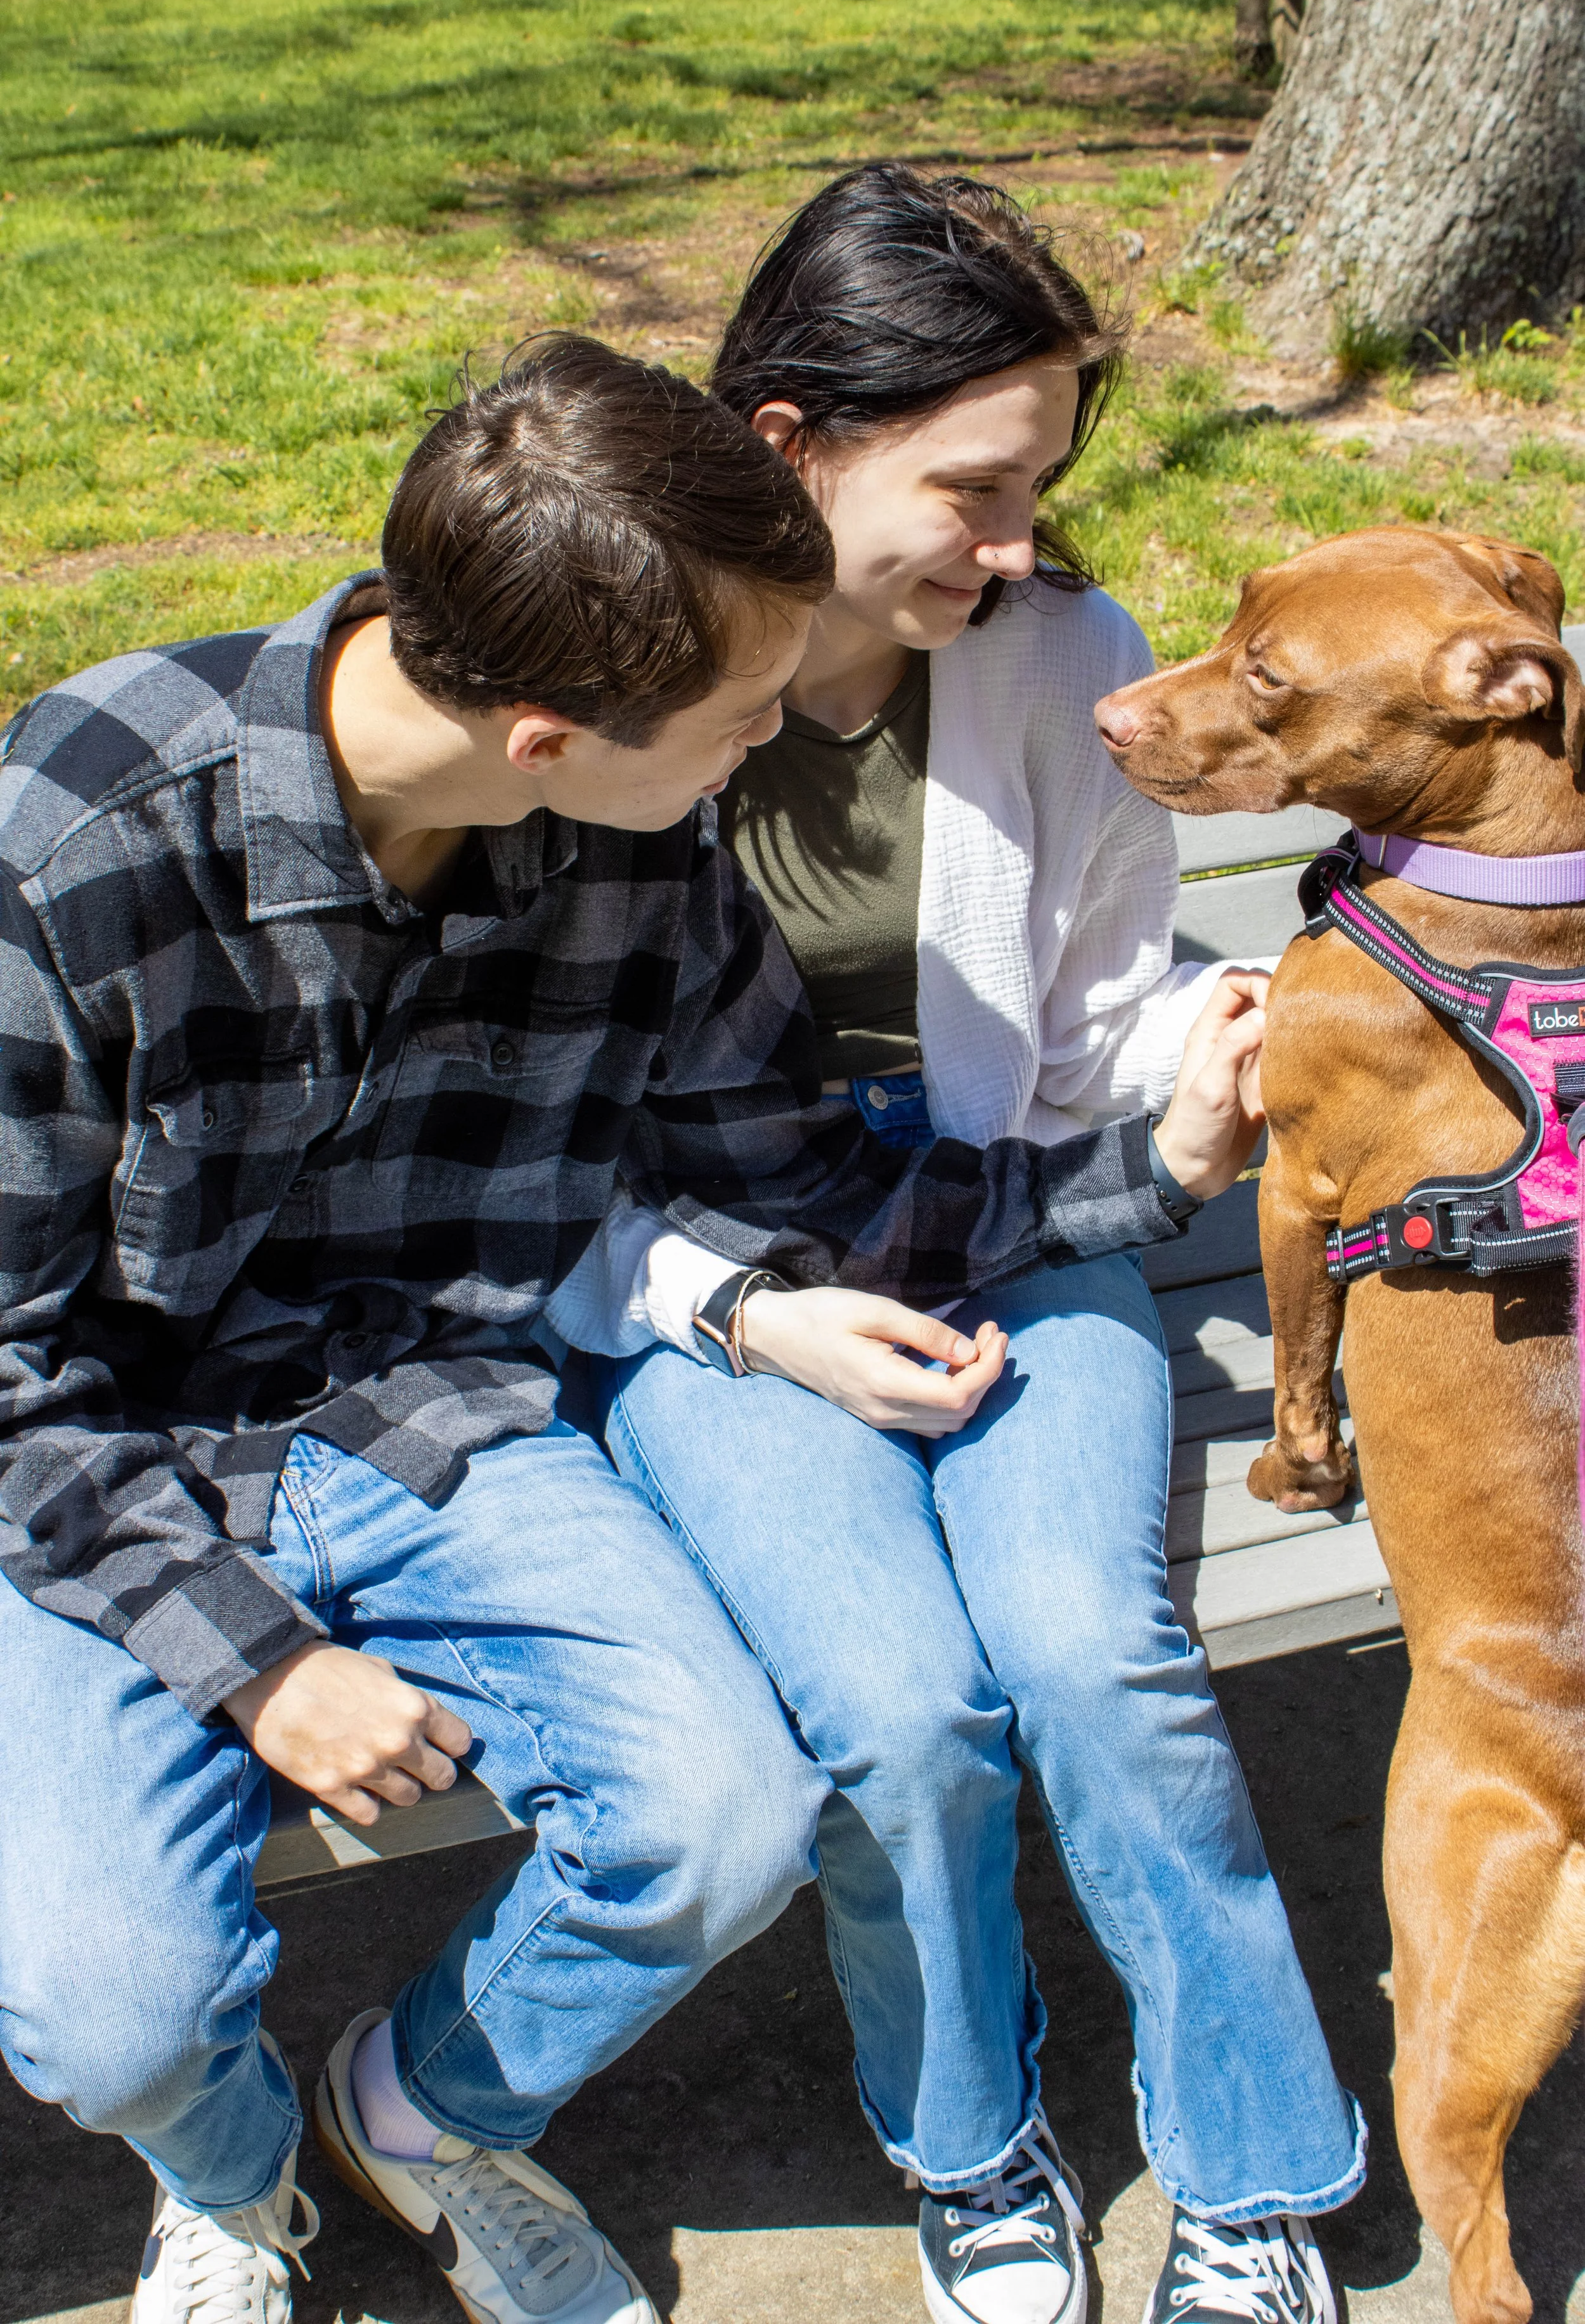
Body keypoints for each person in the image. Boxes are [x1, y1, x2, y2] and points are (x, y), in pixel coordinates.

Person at [0, 332, 1265, 2324]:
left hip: (430, 1414)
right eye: (741, 713)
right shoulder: (77, 841)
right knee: (111, 2015)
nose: (768, 750)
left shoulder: (643, 844)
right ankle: (234, 2188)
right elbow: (7, 1382)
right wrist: (260, 1670)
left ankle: (409, 2112)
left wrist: (1158, 1168)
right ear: (541, 739)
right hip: (95, 1472)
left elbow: (815, 1183)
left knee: (723, 1819)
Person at [571, 166, 1366, 2324]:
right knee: (904, 1713)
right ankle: (970, 2137)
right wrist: (737, 1312)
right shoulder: (607, 676)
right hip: (718, 1262)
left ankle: (1249, 2172)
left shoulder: (1055, 652)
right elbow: (531, 1150)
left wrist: (1191, 1073)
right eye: (975, 489)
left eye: (1036, 491)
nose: (1016, 548)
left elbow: (1092, 1004)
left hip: (1024, 1199)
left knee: (1091, 1659)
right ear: (786, 439)